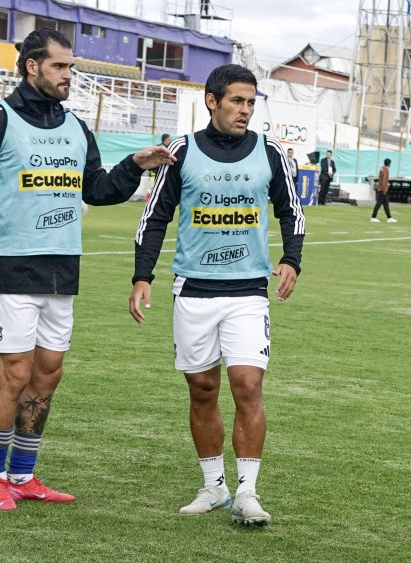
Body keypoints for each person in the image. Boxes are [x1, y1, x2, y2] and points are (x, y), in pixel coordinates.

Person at [0, 29, 174, 511]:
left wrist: (134, 164)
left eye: (71, 67)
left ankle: (23, 475)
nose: (69, 75)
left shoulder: (76, 127)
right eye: (60, 66)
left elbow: (96, 190)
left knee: (47, 375)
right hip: (12, 267)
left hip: (63, 270)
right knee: (14, 373)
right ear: (32, 66)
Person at [130, 64, 304, 526]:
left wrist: (291, 259)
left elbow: (291, 211)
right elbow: (155, 216)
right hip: (193, 290)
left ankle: (247, 492)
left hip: (248, 291)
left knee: (247, 385)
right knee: (202, 388)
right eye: (236, 101)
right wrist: (142, 276)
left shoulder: (269, 152)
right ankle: (214, 487)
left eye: (251, 103)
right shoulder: (182, 151)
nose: (245, 110)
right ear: (212, 101)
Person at [371, 157, 396, 223]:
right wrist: (384, 190)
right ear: (389, 164)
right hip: (382, 190)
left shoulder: (382, 168)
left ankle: (389, 218)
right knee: (378, 204)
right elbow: (384, 180)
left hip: (381, 188)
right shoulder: (386, 169)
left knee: (386, 204)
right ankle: (373, 217)